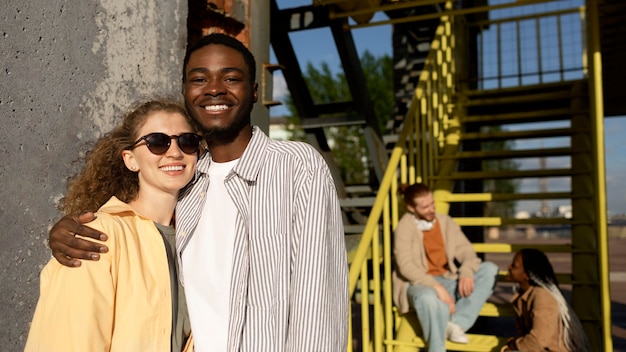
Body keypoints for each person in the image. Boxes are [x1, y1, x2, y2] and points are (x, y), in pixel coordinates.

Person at [47, 33, 349, 351]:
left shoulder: (295, 167)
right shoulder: (183, 183)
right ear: (187, 92)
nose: (214, 88)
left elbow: (318, 299)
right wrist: (67, 233)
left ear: (255, 91)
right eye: (199, 79)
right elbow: (130, 234)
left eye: (231, 78)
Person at [26, 99, 200, 351]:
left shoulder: (197, 239)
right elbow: (68, 340)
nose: (174, 152)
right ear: (131, 160)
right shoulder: (97, 236)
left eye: (187, 141)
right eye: (157, 142)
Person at [391, 182, 499, 352]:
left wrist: (466, 271)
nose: (432, 209)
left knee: (489, 270)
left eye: (432, 203)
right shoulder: (404, 227)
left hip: (447, 278)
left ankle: (455, 324)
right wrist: (437, 287)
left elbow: (466, 250)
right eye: (425, 207)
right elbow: (406, 267)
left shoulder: (445, 222)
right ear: (411, 208)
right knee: (428, 298)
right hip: (417, 284)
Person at [501, 248, 591, 352]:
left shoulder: (542, 296)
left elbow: (538, 340)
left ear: (527, 275)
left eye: (514, 265)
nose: (509, 267)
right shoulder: (523, 296)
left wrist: (513, 345)